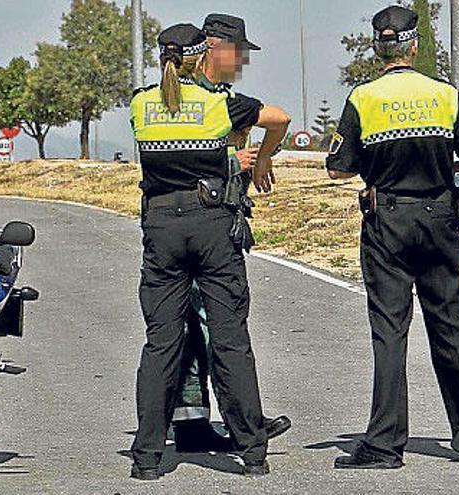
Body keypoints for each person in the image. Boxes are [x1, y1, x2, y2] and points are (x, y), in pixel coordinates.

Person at [326, 5, 459, 470]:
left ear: (377, 47)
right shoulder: (444, 95)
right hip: (441, 217)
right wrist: (452, 169)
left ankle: (384, 446)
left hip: (388, 221)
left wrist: (373, 168)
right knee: (452, 325)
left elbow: (337, 169)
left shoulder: (364, 98)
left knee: (389, 332)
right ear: (415, 45)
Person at [129, 23, 290, 480]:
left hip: (161, 226)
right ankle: (252, 451)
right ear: (202, 57)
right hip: (212, 225)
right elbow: (276, 119)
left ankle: (146, 458)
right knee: (230, 339)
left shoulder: (140, 102)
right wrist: (253, 158)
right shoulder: (220, 104)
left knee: (162, 342)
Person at [170, 13, 292, 453]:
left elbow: (276, 120)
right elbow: (177, 159)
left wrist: (258, 158)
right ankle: (242, 422)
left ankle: (194, 423)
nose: (241, 62)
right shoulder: (192, 96)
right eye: (238, 53)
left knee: (196, 324)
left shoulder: (222, 95)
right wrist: (237, 162)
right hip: (201, 222)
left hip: (209, 220)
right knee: (213, 325)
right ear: (215, 48)